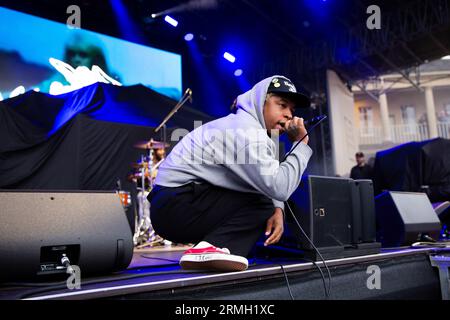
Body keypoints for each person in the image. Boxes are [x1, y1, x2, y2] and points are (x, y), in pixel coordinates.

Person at [148, 75, 313, 272]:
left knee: (265, 200)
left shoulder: (248, 129)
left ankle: (215, 248)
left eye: (292, 110)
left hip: (175, 204)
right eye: (282, 105)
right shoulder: (246, 131)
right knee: (262, 202)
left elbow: (267, 180)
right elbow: (279, 187)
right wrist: (300, 144)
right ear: (261, 101)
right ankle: (212, 247)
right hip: (174, 205)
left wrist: (278, 208)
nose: (288, 114)